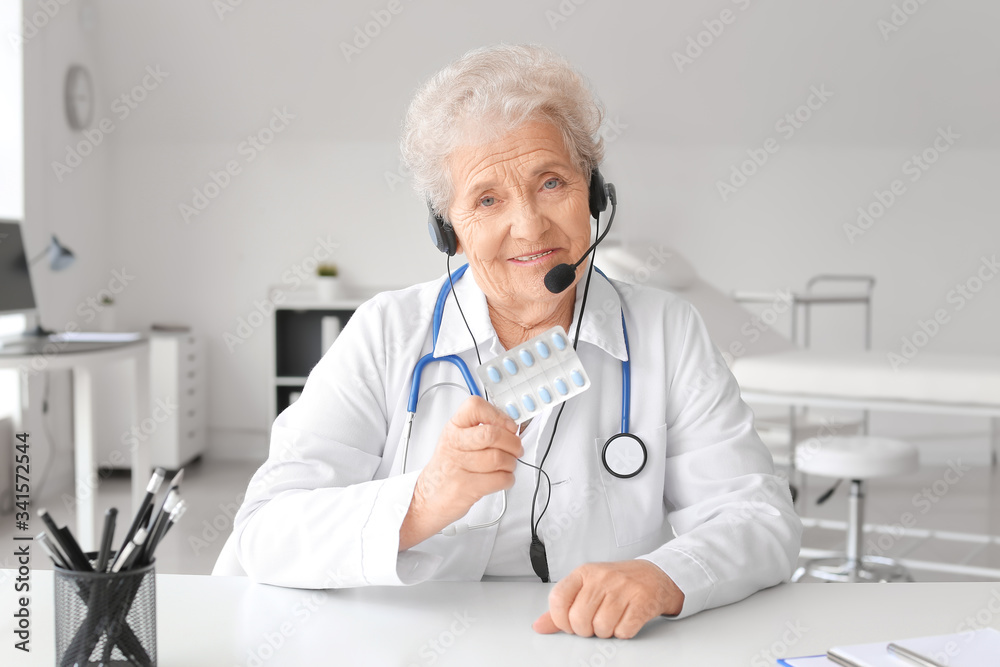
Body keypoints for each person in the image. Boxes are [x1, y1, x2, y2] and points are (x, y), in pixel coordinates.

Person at [215, 43, 802, 640]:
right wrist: (423, 500)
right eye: (487, 199)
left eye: (551, 182)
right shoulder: (386, 333)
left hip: (590, 649)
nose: (529, 226)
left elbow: (758, 519)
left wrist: (663, 576)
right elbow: (265, 530)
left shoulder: (665, 331)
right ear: (448, 229)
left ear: (593, 193)